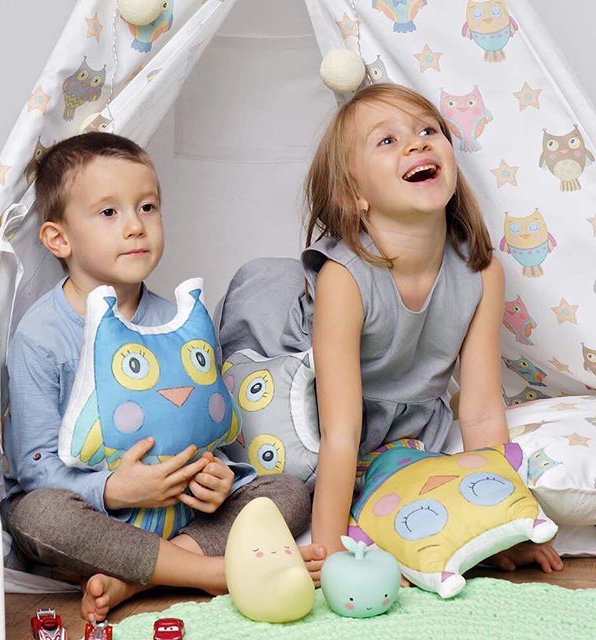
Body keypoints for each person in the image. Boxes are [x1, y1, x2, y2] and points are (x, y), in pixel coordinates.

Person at [217, 83, 563, 576]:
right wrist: (331, 551)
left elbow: (483, 410)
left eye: (428, 131)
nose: (417, 143)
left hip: (405, 433)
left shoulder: (481, 272)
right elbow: (341, 431)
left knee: (427, 497)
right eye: (387, 140)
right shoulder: (346, 279)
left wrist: (500, 524)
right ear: (354, 194)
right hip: (316, 417)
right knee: (279, 484)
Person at [3, 132, 325, 621]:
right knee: (36, 515)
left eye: (147, 207)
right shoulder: (41, 336)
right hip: (99, 514)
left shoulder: (180, 321)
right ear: (58, 239)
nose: (135, 226)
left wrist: (218, 477)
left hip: (179, 511)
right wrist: (115, 489)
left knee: (287, 491)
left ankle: (142, 577)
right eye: (108, 212)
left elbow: (205, 428)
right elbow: (35, 465)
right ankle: (212, 572)